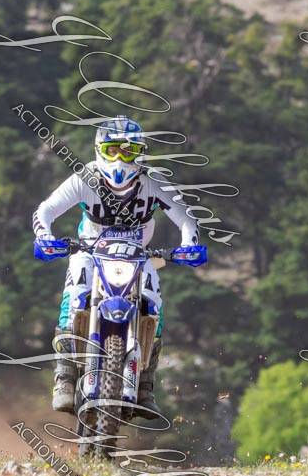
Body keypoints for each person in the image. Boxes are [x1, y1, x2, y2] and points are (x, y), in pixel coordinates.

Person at [32, 115, 206, 418]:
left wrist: (188, 245)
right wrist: (45, 237)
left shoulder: (153, 181)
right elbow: (45, 210)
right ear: (99, 150)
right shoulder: (85, 177)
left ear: (140, 153)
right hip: (89, 251)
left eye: (128, 152)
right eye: (112, 150)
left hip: (139, 256)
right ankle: (65, 378)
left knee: (154, 304)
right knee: (74, 296)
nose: (119, 160)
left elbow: (186, 218)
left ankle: (145, 386)